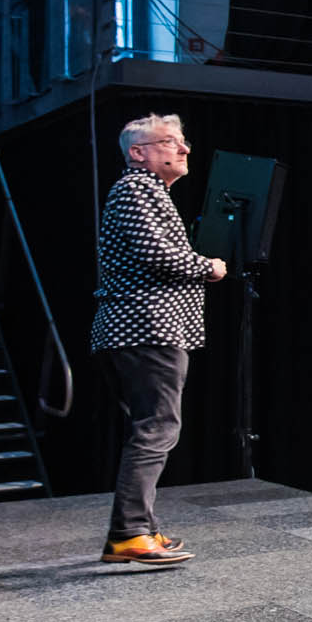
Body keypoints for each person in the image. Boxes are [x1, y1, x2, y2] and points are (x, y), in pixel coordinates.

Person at [89, 114, 226, 568]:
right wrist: (208, 266)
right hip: (146, 328)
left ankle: (138, 529)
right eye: (170, 142)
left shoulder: (148, 191)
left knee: (150, 428)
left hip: (140, 329)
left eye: (183, 141)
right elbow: (158, 255)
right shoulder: (135, 188)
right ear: (138, 152)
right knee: (157, 429)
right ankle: (129, 533)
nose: (184, 149)